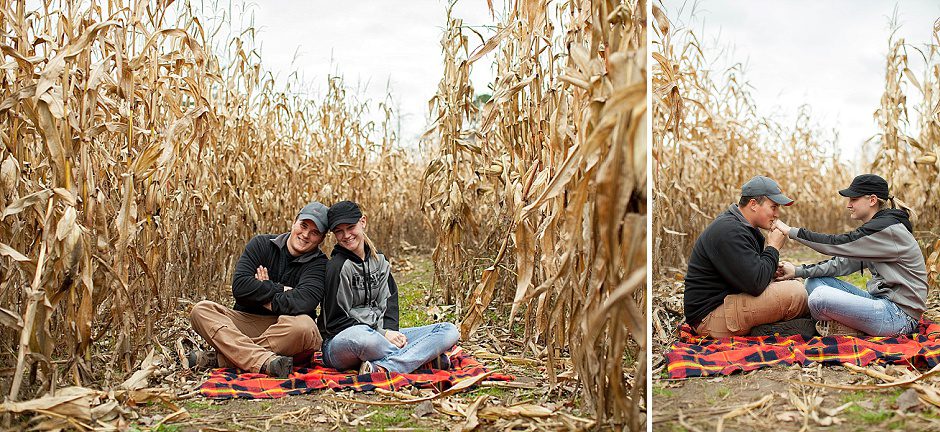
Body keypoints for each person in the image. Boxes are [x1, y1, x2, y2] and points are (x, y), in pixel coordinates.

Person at [187, 201, 329, 378]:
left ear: (322, 239)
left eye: (315, 232)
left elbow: (304, 302)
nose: (306, 234)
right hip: (248, 322)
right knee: (201, 310)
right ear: (294, 221)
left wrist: (260, 291)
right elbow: (240, 288)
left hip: (287, 330)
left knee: (305, 327)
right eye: (304, 225)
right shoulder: (262, 244)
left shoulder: (320, 265)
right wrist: (282, 289)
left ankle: (222, 359)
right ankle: (266, 361)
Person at [775, 174, 928, 336]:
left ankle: (848, 328)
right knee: (814, 283)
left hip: (900, 316)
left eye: (853, 199)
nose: (849, 205)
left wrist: (790, 231)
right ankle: (850, 326)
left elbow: (835, 244)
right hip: (881, 303)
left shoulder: (886, 229)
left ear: (872, 200)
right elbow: (843, 264)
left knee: (819, 298)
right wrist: (798, 271)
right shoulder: (880, 228)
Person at [320, 200, 460, 374]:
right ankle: (421, 361)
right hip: (341, 343)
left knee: (448, 330)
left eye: (350, 227)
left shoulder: (380, 261)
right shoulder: (336, 267)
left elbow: (390, 303)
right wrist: (382, 334)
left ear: (363, 221)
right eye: (339, 231)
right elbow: (335, 321)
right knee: (364, 339)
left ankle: (384, 367)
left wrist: (391, 332)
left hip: (380, 337)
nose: (346, 235)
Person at [683, 175, 812, 338]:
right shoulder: (729, 231)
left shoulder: (741, 227)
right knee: (796, 293)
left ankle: (774, 327)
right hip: (709, 318)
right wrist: (773, 248)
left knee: (793, 282)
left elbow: (743, 273)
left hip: (726, 303)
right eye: (773, 207)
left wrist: (773, 272)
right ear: (753, 204)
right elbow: (756, 283)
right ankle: (773, 329)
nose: (777, 214)